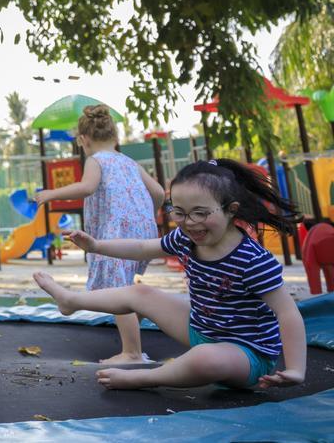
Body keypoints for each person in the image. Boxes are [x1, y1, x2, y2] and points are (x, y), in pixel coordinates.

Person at [35, 158, 306, 390]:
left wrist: (295, 369)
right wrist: (96, 245)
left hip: (247, 355)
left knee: (204, 358)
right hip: (201, 330)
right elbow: (142, 247)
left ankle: (145, 378)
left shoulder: (252, 260)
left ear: (230, 210)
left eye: (200, 213)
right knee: (141, 292)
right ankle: (71, 301)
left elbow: (287, 311)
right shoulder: (185, 238)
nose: (190, 223)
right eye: (179, 212)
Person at [33, 104, 165, 364]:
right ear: (116, 138)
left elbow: (86, 187)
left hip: (117, 232)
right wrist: (145, 215)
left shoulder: (96, 160)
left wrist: (51, 194)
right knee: (125, 284)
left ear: (83, 140)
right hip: (145, 230)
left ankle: (132, 353)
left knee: (118, 287)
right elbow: (159, 193)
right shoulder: (129, 161)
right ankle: (135, 321)